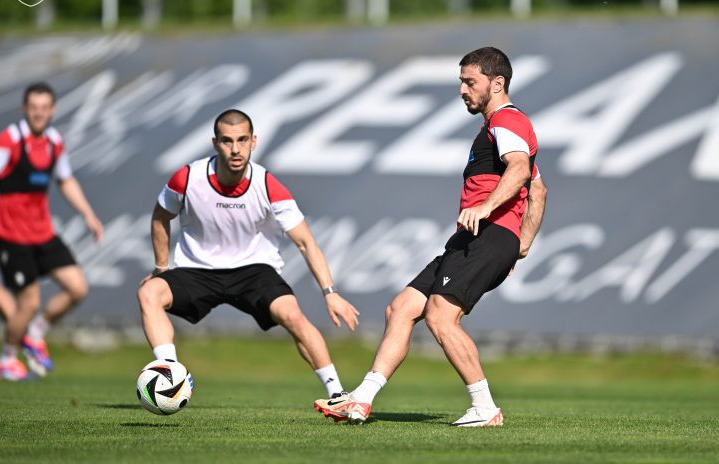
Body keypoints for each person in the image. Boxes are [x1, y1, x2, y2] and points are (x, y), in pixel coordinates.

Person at [314, 47, 547, 427]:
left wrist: (488, 210)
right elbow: (538, 189)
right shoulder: (496, 128)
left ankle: (486, 408)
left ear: (497, 83)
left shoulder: (508, 120)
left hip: (487, 233)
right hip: (475, 238)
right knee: (401, 308)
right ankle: (361, 399)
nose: (462, 90)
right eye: (461, 81)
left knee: (441, 316)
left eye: (470, 82)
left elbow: (520, 169)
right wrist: (522, 244)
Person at [137, 109, 359, 399]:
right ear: (215, 143)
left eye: (242, 140)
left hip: (254, 270)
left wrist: (330, 292)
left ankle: (337, 394)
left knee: (292, 314)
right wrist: (161, 268)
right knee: (149, 293)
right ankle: (170, 375)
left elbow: (306, 242)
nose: (235, 149)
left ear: (253, 141)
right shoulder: (188, 178)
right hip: (198, 269)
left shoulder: (267, 185)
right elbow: (160, 217)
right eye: (227, 141)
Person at [0, 82, 104, 380]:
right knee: (29, 302)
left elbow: (65, 180)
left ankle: (35, 332)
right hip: (11, 235)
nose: (38, 113)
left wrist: (88, 215)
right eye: (33, 108)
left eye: (44, 108)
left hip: (42, 232)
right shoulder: (9, 141)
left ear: (53, 110)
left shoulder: (55, 142)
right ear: (24, 109)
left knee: (77, 287)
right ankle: (7, 359)